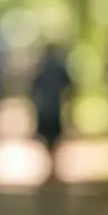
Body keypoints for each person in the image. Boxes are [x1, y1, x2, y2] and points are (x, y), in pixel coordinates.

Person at [30, 42, 73, 170]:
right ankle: (52, 162)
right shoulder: (55, 67)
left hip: (48, 108)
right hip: (52, 109)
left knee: (49, 136)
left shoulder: (43, 67)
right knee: (51, 136)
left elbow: (34, 86)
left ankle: (52, 162)